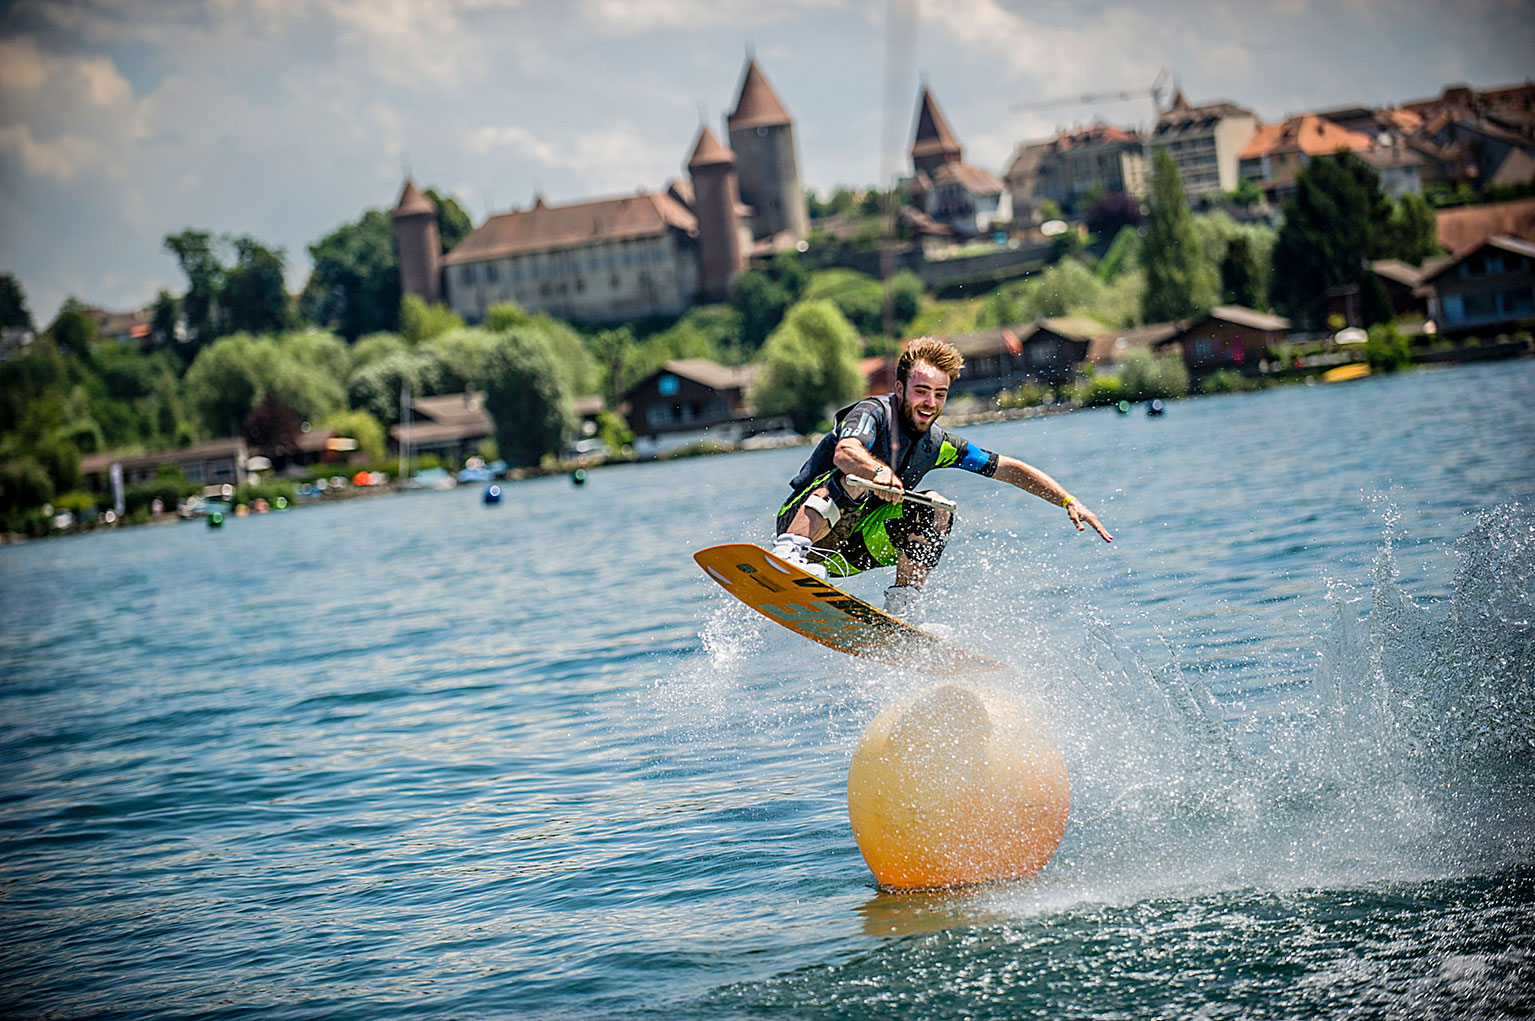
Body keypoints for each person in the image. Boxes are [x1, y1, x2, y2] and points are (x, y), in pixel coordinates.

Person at [771, 337, 1112, 619]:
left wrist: (1067, 500)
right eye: (921, 391)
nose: (930, 403)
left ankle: (903, 607)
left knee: (937, 506)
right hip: (807, 528)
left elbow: (1008, 468)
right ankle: (788, 557)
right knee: (855, 478)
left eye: (939, 394)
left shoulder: (938, 445)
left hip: (852, 552)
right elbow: (844, 452)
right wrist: (879, 473)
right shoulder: (872, 413)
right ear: (901, 388)